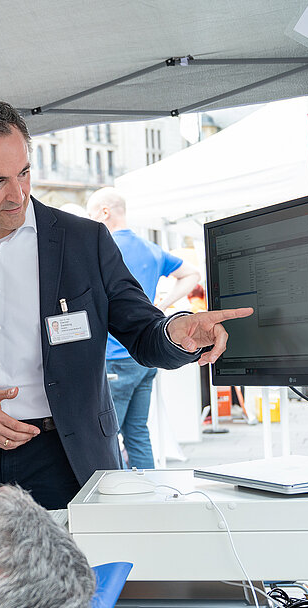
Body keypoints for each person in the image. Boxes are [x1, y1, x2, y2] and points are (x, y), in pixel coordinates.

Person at [0, 100, 252, 511]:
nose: (18, 194)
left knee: (84, 574)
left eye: (24, 173)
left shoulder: (85, 240)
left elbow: (142, 331)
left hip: (69, 457)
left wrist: (177, 331)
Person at [87, 187, 201, 470]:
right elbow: (191, 274)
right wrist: (162, 305)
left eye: (91, 215)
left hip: (115, 356)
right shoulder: (151, 248)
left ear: (105, 212)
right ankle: (149, 496)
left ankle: (121, 500)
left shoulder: (102, 248)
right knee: (137, 433)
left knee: (106, 438)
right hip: (145, 357)